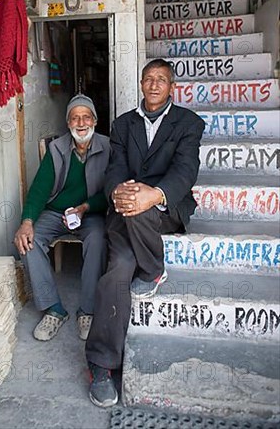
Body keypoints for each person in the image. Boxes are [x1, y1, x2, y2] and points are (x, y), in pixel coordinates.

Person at [85, 59, 205, 407]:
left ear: (172, 88)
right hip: (125, 211)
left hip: (165, 209)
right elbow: (115, 168)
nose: (154, 85)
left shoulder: (188, 123)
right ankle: (102, 364)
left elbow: (186, 170)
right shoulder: (123, 124)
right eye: (149, 79)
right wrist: (118, 192)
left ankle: (152, 268)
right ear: (141, 83)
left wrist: (154, 194)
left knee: (142, 207)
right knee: (118, 269)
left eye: (161, 80)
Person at [14, 94, 109, 342]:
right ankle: (53, 309)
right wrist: (26, 222)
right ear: (68, 124)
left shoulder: (108, 148)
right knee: (28, 242)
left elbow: (111, 192)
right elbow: (39, 190)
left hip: (90, 213)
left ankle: (87, 310)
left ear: (95, 121)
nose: (81, 123)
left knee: (98, 238)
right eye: (75, 118)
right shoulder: (56, 149)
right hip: (56, 213)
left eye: (86, 117)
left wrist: (85, 207)